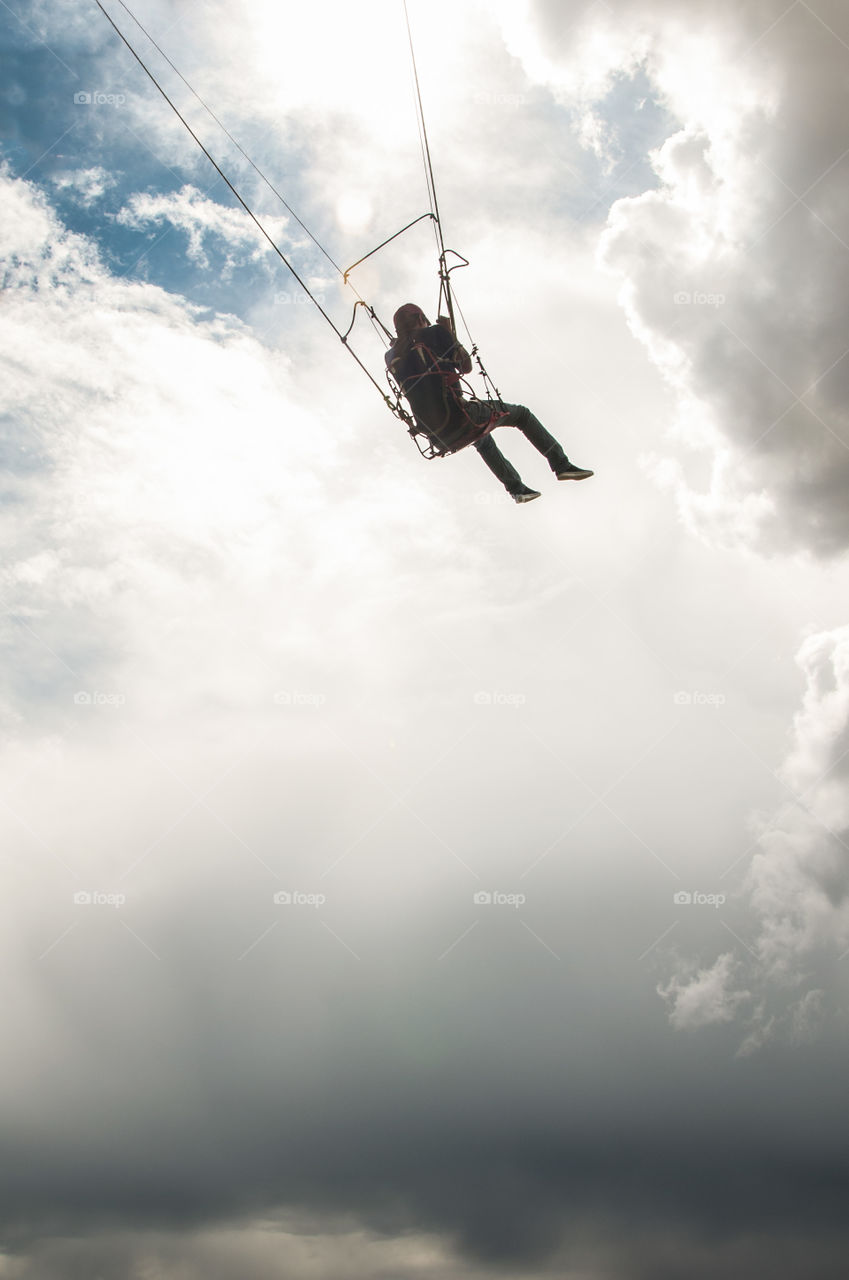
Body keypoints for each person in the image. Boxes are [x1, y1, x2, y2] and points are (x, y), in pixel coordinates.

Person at [385, 303, 593, 503]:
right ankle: (561, 465)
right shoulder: (435, 333)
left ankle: (517, 490)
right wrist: (449, 332)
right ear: (421, 318)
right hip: (462, 416)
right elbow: (465, 366)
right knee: (522, 415)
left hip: (437, 435)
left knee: (482, 440)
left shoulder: (391, 356)